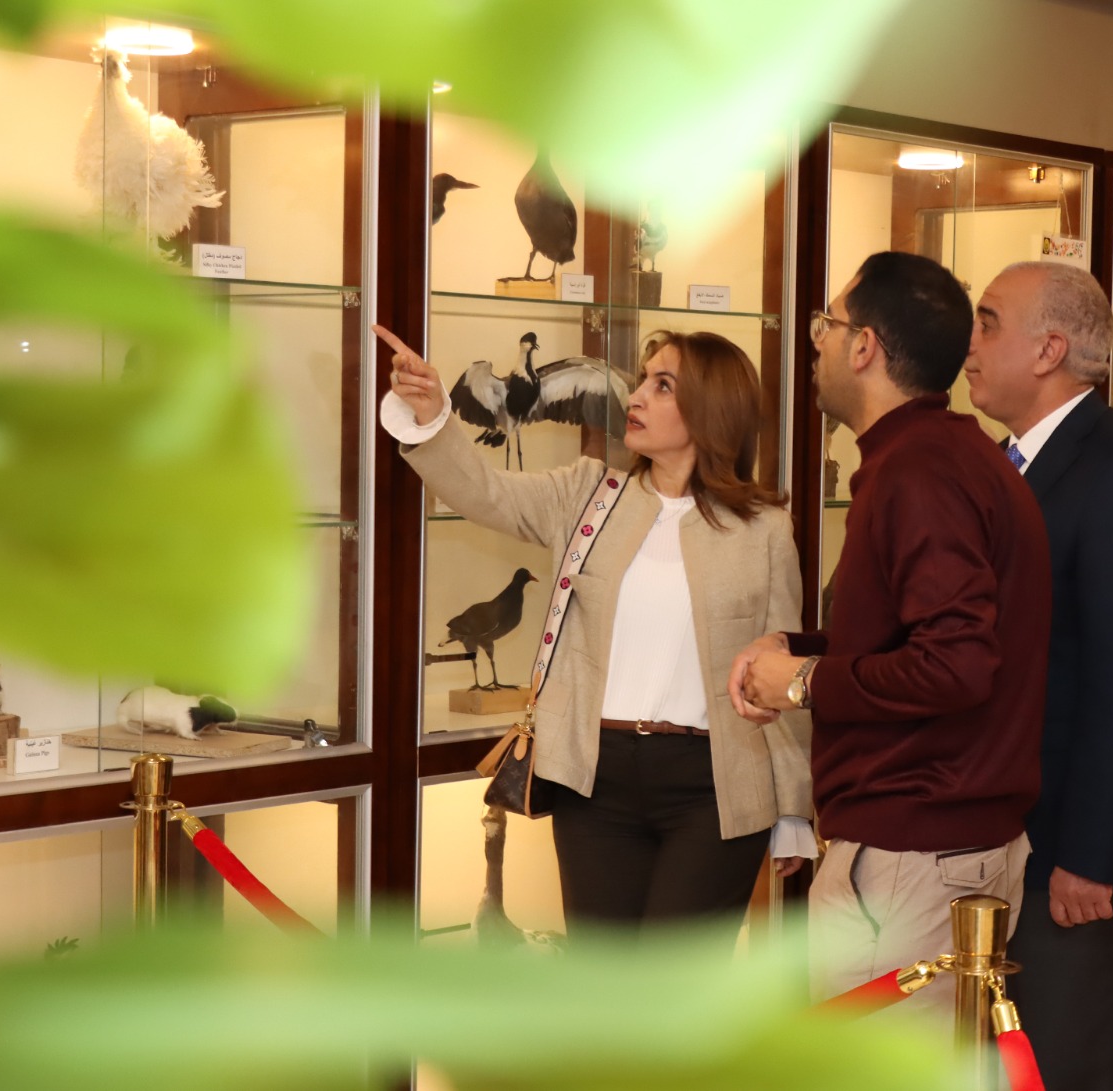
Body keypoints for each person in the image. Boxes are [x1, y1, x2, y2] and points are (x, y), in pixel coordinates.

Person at [373, 323, 814, 940]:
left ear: (712, 410)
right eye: (643, 381)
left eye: (663, 386)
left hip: (715, 787)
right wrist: (432, 416)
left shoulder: (763, 528)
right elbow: (484, 492)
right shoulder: (587, 494)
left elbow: (784, 678)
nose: (637, 396)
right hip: (594, 784)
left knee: (675, 986)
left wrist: (793, 808)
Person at [726, 250, 1052, 1010]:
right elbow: (914, 636)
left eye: (828, 325)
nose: (816, 342)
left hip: (916, 849)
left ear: (865, 346)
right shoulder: (944, 454)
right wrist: (799, 649)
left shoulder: (921, 469)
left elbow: (956, 664)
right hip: (936, 843)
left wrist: (805, 682)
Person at [963, 262, 1113, 1090]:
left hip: (1072, 849)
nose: (970, 343)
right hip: (1000, 831)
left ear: (1049, 348)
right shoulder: (1007, 460)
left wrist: (1091, 854)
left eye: (988, 321)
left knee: (1066, 1063)